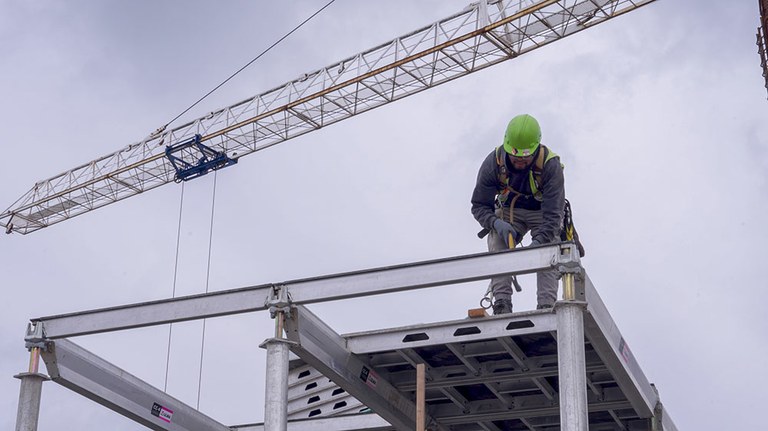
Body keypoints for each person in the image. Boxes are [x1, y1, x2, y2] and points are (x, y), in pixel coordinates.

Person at [471, 114, 565, 315]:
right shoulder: (493, 162)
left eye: (525, 159)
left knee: (549, 248)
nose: (520, 163)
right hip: (509, 212)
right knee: (497, 240)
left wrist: (540, 242)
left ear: (535, 149)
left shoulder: (550, 165)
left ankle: (546, 306)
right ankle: (502, 303)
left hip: (542, 213)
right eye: (515, 159)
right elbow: (479, 206)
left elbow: (553, 216)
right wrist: (495, 223)